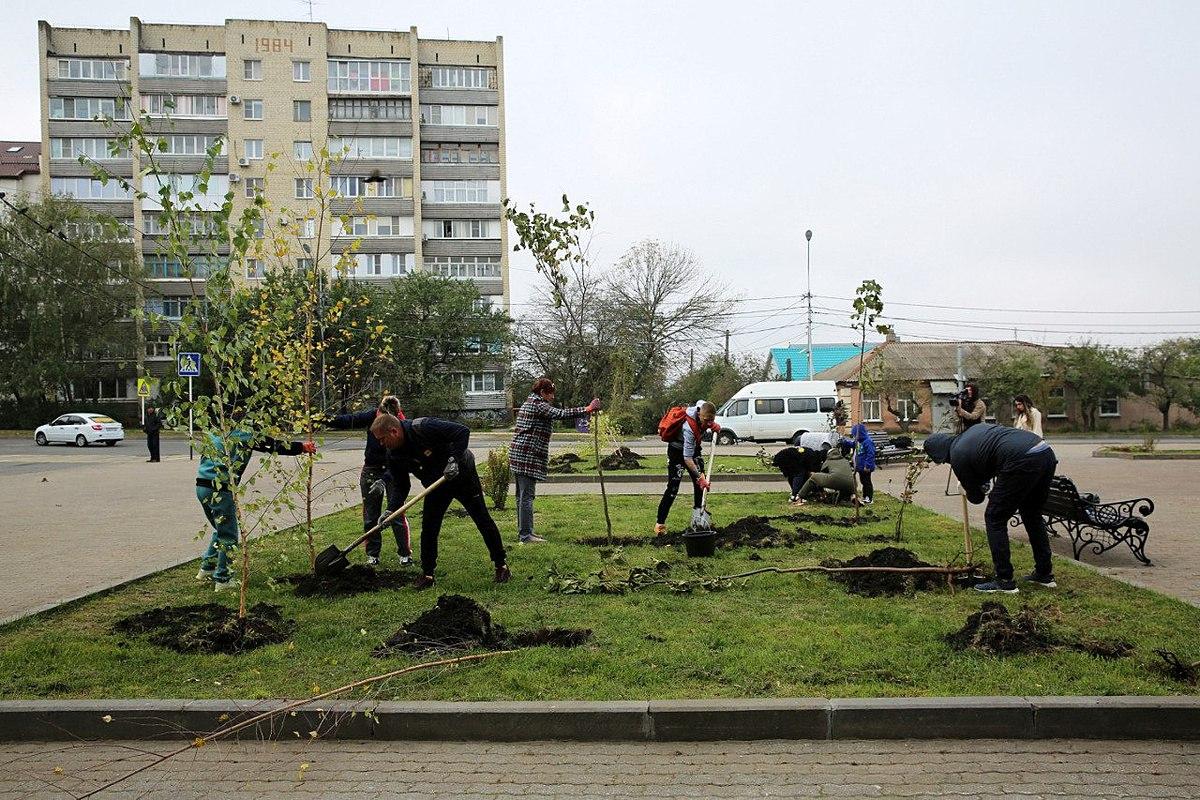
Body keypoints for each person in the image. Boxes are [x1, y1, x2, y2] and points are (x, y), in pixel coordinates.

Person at [370, 413, 509, 590]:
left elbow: (462, 431)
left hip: (462, 476)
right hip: (436, 485)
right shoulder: (394, 454)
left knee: (482, 519)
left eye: (382, 439)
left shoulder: (423, 427)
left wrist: (454, 460)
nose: (381, 444)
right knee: (429, 528)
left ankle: (501, 566)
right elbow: (401, 485)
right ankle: (427, 574)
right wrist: (391, 510)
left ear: (394, 431)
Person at [923, 423, 1057, 593]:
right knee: (1032, 514)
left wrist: (969, 486)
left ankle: (1004, 580)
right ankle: (1044, 574)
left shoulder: (957, 455)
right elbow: (990, 461)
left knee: (994, 518)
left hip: (1021, 459)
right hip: (1044, 451)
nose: (946, 463)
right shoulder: (970, 435)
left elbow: (977, 498)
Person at [195, 428, 316, 592]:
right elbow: (272, 445)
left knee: (220, 528)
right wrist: (301, 447)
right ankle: (223, 579)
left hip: (202, 485)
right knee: (228, 535)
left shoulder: (215, 431)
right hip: (220, 489)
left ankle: (207, 568)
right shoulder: (243, 433)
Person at [509, 378, 600, 544]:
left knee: (521, 497)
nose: (552, 397)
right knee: (526, 497)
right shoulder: (538, 405)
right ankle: (526, 536)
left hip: (519, 454)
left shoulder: (530, 402)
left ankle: (526, 533)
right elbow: (560, 414)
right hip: (526, 455)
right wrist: (587, 409)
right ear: (542, 392)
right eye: (550, 394)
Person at [329, 395, 412, 566]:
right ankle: (372, 555)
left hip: (393, 471)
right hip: (371, 470)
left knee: (396, 513)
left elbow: (403, 459)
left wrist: (384, 480)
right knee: (370, 515)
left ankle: (405, 554)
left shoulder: (401, 423)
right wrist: (324, 420)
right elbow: (349, 420)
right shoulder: (371, 415)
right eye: (380, 417)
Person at [655, 400, 721, 534]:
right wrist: (700, 477)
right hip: (677, 453)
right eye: (707, 420)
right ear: (700, 415)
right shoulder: (688, 429)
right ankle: (660, 524)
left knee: (700, 487)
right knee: (673, 488)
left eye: (711, 420)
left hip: (693, 451)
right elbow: (687, 458)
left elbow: (705, 407)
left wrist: (713, 425)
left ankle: (697, 520)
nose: (708, 423)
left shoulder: (702, 407)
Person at [792, 448, 856, 504]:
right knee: (846, 482)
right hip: (851, 484)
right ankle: (853, 496)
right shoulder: (845, 461)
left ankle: (799, 497)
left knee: (814, 477)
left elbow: (821, 475)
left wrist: (821, 491)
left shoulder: (828, 461)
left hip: (835, 480)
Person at [846, 422, 877, 504]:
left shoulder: (867, 442)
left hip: (866, 467)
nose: (854, 437)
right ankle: (865, 496)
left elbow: (871, 454)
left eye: (855, 435)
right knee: (863, 481)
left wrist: (867, 465)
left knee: (867, 482)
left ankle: (869, 497)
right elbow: (852, 444)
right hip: (860, 467)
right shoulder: (858, 441)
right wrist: (845, 442)